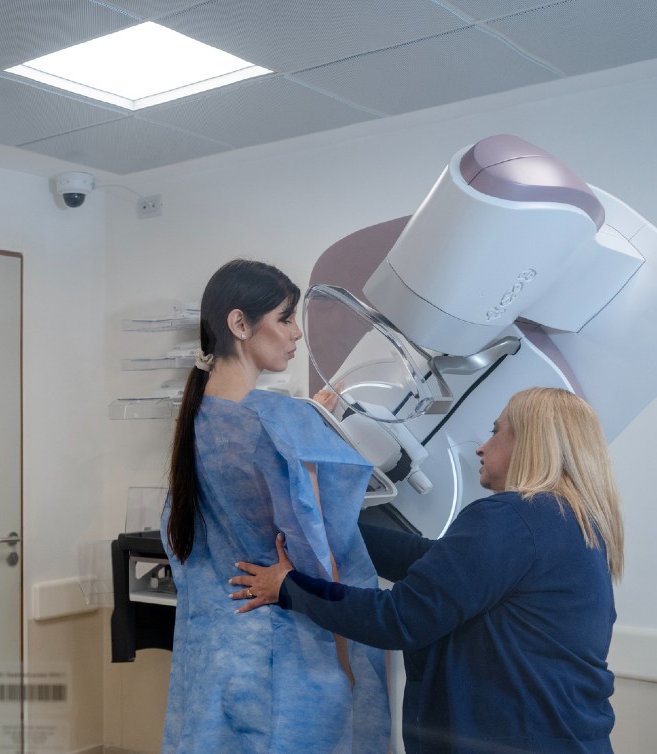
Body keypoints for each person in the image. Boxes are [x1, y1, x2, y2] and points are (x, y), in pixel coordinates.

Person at [231, 386, 623, 754]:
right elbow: (435, 560)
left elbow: (397, 619)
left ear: (531, 443)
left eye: (496, 431)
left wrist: (288, 587)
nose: (482, 448)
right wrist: (324, 531)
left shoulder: (511, 518)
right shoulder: (571, 523)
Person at [160, 259, 391, 754]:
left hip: (215, 652)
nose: (297, 333)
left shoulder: (193, 421)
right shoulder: (283, 422)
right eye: (286, 318)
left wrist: (311, 422)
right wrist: (349, 664)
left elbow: (178, 537)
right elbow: (319, 555)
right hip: (288, 660)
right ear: (240, 324)